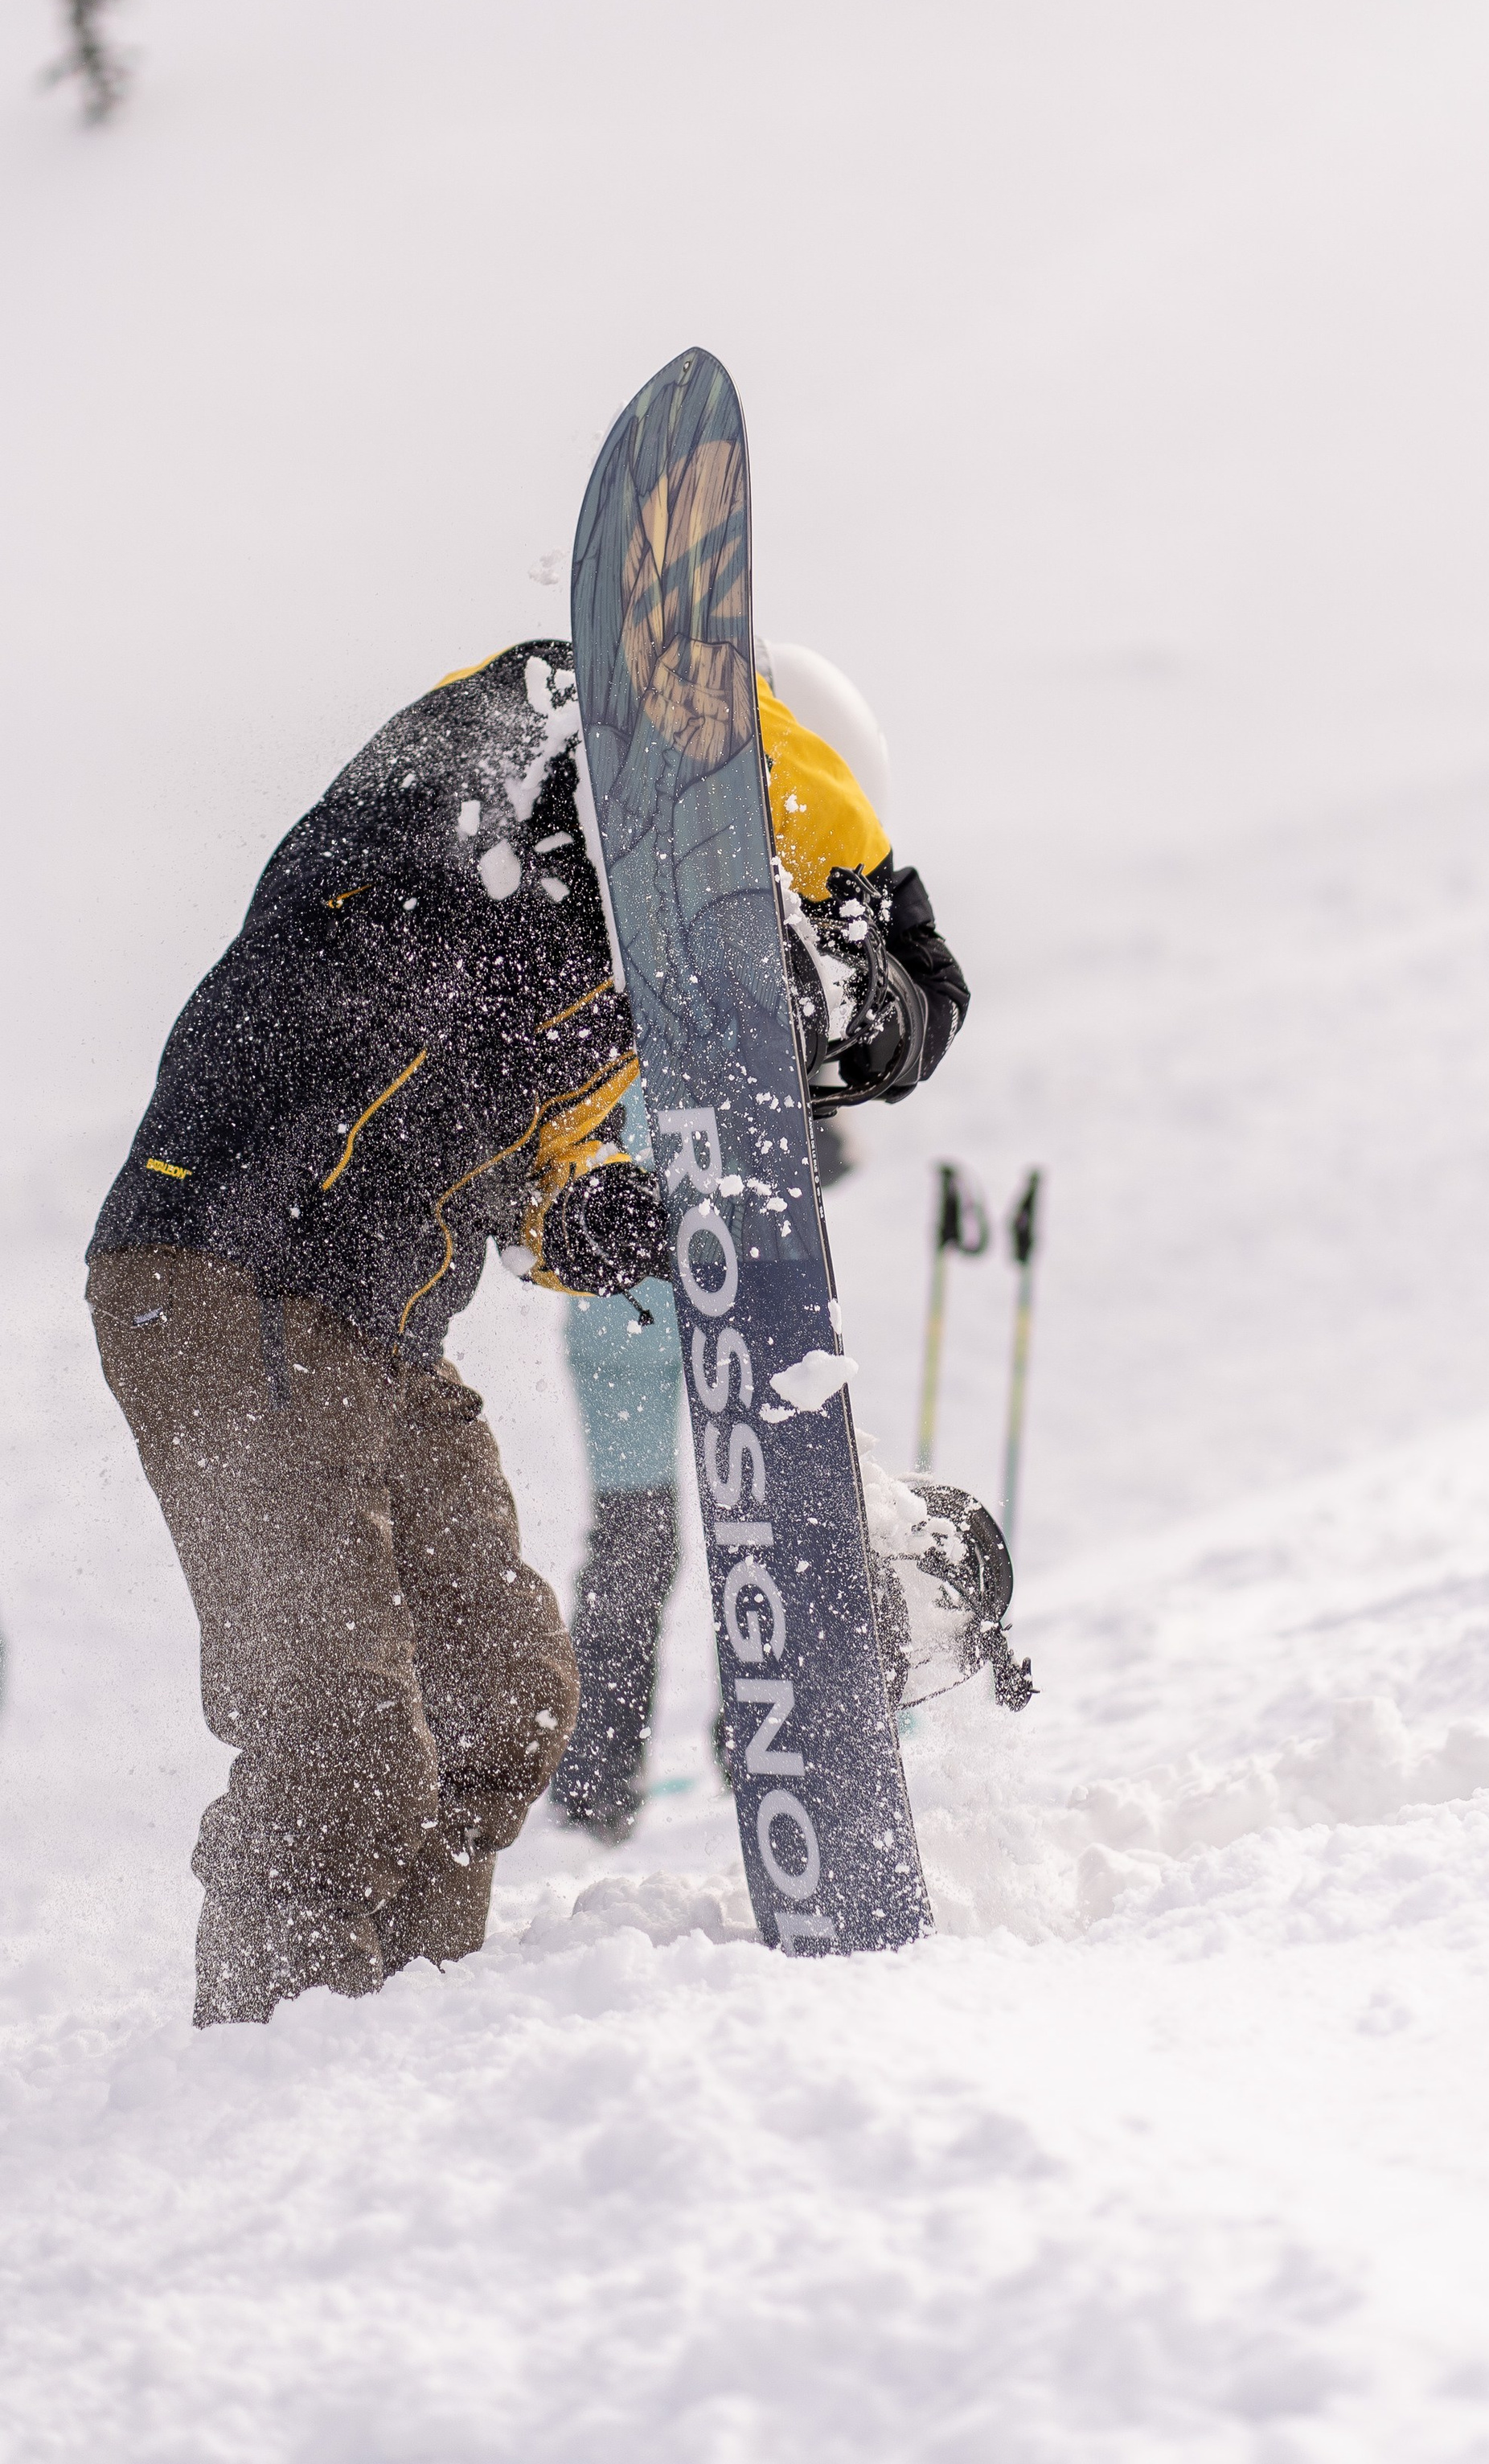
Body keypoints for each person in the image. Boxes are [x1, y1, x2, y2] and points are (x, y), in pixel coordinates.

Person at [85, 638, 967, 2026]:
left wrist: (593, 1213)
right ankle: (260, 2073)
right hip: (220, 1275)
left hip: (373, 1327)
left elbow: (527, 1154)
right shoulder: (522, 738)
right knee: (341, 1740)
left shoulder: (575, 952)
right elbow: (665, 729)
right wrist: (865, 898)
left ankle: (406, 2030)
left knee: (506, 1697)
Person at [547, 644, 886, 1843]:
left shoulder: (615, 985)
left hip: (623, 1315)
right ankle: (744, 1743)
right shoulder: (712, 1000)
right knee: (762, 1522)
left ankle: (600, 1773)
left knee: (645, 1538)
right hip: (680, 1304)